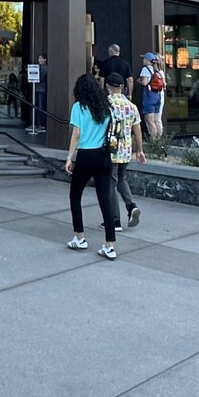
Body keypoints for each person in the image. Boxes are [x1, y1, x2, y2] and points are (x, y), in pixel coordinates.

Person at [64, 73, 121, 258]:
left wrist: (69, 157)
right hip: (104, 155)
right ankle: (109, 245)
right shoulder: (105, 107)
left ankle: (79, 237)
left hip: (86, 155)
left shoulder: (78, 107)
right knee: (105, 199)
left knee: (75, 195)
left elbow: (76, 134)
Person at [105, 72, 144, 228]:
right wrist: (140, 150)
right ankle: (131, 205)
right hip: (126, 148)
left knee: (111, 183)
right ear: (122, 86)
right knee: (122, 178)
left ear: (107, 85)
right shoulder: (131, 106)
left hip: (110, 149)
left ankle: (114, 220)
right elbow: (138, 129)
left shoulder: (105, 104)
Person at [138, 51, 164, 140]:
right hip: (157, 96)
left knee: (150, 121)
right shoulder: (156, 70)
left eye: (144, 58)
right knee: (156, 120)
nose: (143, 60)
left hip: (149, 97)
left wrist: (140, 81)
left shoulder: (145, 69)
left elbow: (145, 83)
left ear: (147, 60)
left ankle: (154, 142)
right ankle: (160, 141)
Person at [34, 53, 48, 133]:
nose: (39, 60)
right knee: (37, 106)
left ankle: (42, 125)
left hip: (42, 90)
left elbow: (41, 78)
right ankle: (36, 124)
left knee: (41, 107)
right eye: (39, 58)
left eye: (41, 58)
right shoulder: (38, 67)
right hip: (37, 89)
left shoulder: (45, 68)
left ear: (45, 59)